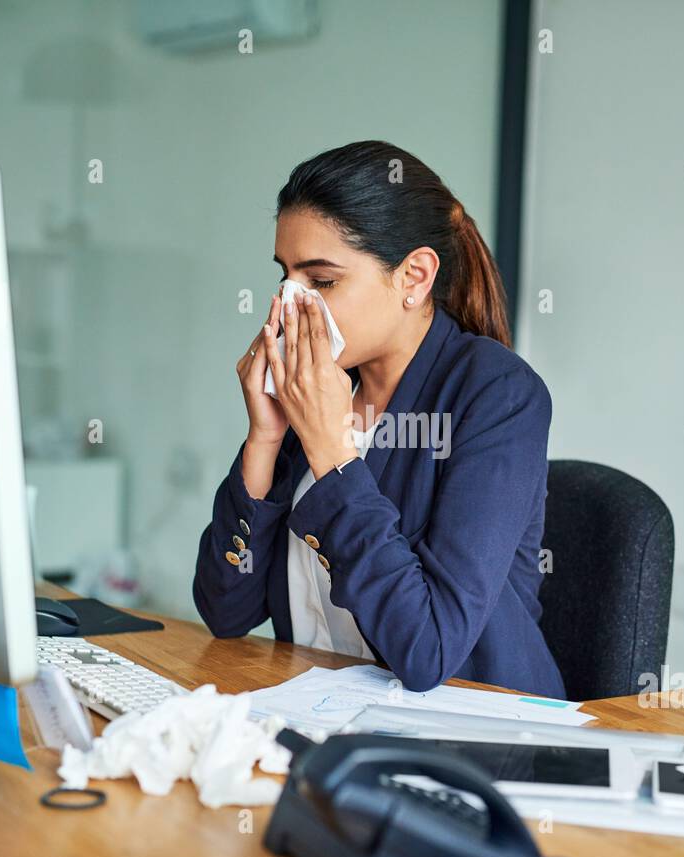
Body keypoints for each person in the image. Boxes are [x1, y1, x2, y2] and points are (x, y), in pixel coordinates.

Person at [193, 140, 565, 698]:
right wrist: (265, 440)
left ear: (414, 277)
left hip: (472, 742)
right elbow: (226, 611)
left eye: (321, 281)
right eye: (286, 277)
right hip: (325, 717)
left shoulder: (497, 393)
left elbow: (426, 652)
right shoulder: (319, 390)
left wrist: (333, 456)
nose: (290, 304)